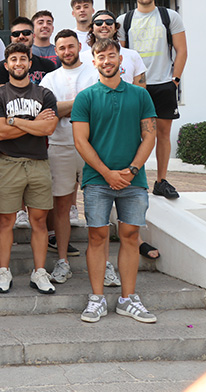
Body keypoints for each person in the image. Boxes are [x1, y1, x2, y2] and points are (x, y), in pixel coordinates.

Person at [73, 38, 158, 323]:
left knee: (131, 236)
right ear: (93, 61)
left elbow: (150, 135)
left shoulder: (140, 95)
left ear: (121, 60)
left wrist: (132, 170)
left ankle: (127, 299)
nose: (107, 61)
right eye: (101, 56)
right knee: (97, 236)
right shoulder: (86, 97)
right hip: (97, 180)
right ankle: (96, 298)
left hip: (134, 181)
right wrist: (108, 173)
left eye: (112, 56)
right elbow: (81, 141)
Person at [0, 42, 58, 294]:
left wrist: (13, 120)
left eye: (23, 59)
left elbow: (48, 128)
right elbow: (1, 133)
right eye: (13, 60)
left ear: (30, 63)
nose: (18, 64)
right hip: (8, 163)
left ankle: (39, 272)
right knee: (5, 220)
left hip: (38, 162)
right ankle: (3, 270)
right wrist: (31, 122)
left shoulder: (44, 94)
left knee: (39, 221)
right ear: (6, 66)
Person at [117, 0, 187, 201]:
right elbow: (122, 56)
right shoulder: (123, 21)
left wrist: (175, 80)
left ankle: (161, 181)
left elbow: (181, 50)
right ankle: (133, 180)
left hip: (164, 83)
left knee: (163, 134)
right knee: (134, 134)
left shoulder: (170, 16)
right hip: (137, 87)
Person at [39, 30, 99, 286]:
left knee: (97, 205)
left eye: (70, 46)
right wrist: (84, 102)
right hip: (59, 146)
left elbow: (101, 106)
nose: (66, 51)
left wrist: (66, 107)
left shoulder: (96, 72)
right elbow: (48, 112)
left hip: (95, 147)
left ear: (79, 46)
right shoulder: (49, 79)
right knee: (61, 207)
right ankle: (62, 261)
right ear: (56, 50)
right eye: (61, 48)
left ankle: (103, 262)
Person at [80, 10, 146, 86]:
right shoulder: (81, 58)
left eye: (109, 22)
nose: (104, 25)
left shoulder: (133, 55)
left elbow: (141, 88)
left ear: (115, 29)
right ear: (92, 30)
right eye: (98, 23)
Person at [0, 17, 56, 85]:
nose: (21, 36)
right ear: (11, 38)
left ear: (33, 36)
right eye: (16, 34)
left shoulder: (48, 66)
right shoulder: (1, 68)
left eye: (26, 33)